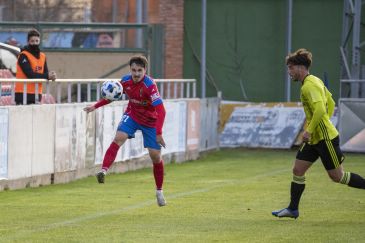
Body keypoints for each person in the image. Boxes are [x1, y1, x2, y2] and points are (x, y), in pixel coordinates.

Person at [272, 48, 365, 219]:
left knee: (338, 177)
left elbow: (322, 108)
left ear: (300, 67)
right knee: (298, 170)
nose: (289, 72)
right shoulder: (313, 80)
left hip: (325, 139)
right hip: (316, 138)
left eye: (291, 68)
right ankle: (293, 209)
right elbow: (329, 100)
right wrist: (322, 122)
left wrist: (311, 129)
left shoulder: (309, 85)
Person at [84, 56, 167, 207]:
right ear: (130, 69)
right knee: (118, 138)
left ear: (145, 71)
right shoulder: (125, 81)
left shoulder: (150, 85)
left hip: (150, 122)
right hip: (133, 115)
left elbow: (161, 110)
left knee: (155, 157)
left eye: (139, 71)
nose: (136, 74)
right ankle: (103, 170)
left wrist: (159, 132)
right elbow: (112, 96)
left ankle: (159, 191)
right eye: (133, 70)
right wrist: (95, 106)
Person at [15, 29, 57, 105]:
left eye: (37, 41)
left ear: (39, 41)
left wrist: (51, 76)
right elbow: (30, 74)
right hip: (22, 93)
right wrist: (47, 76)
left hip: (37, 94)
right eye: (32, 41)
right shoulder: (23, 55)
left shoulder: (43, 56)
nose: (35, 43)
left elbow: (45, 73)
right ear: (28, 42)